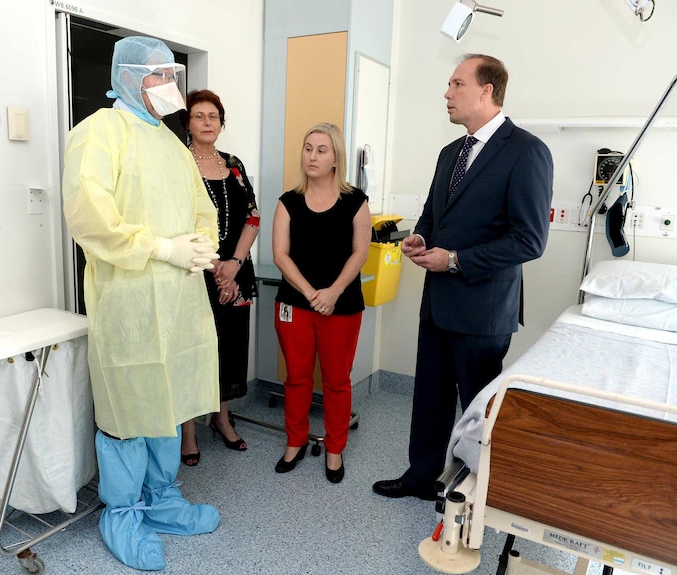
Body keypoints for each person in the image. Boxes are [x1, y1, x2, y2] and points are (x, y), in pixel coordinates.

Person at [62, 36, 222, 571]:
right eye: (159, 76)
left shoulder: (173, 144)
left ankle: (164, 500)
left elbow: (202, 207)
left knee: (167, 402)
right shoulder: (99, 133)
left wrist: (202, 244)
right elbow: (91, 218)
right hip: (128, 303)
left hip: (178, 301)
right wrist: (161, 247)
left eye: (170, 75)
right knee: (129, 407)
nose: (169, 87)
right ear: (130, 77)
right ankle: (124, 512)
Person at [372, 54, 553, 501]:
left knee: (478, 411)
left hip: (483, 308)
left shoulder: (527, 151)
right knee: (429, 398)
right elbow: (434, 216)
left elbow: (529, 240)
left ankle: (476, 491)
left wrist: (453, 260)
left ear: (486, 90)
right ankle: (420, 477)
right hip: (438, 303)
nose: (447, 93)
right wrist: (418, 238)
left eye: (456, 84)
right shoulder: (451, 153)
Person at [271, 122, 371, 484]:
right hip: (295, 306)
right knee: (296, 378)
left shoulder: (355, 201)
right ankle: (295, 442)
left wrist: (331, 293)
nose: (312, 156)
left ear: (335, 159)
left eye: (321, 150)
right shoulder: (289, 202)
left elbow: (360, 252)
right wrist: (312, 293)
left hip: (341, 307)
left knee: (337, 381)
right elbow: (280, 255)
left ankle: (334, 449)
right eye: (308, 148)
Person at [177, 90, 259, 466]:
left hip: (237, 272)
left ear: (221, 123)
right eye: (199, 116)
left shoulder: (234, 164)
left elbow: (253, 218)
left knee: (228, 346)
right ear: (188, 123)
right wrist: (215, 267)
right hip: (195, 273)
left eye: (214, 116)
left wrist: (234, 265)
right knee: (194, 349)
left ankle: (221, 418)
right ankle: (189, 431)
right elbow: (176, 223)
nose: (208, 121)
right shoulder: (177, 163)